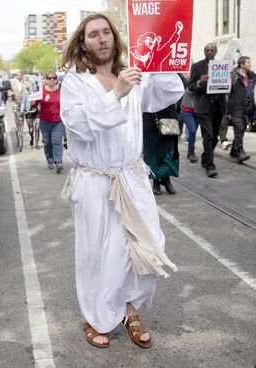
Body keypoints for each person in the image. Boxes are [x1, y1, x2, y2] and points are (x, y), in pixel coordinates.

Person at [60, 14, 180, 349]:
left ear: (115, 37)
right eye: (93, 34)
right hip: (95, 181)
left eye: (106, 32)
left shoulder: (132, 74)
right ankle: (97, 317)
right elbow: (79, 125)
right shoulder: (75, 80)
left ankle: (130, 308)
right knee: (98, 253)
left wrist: (160, 62)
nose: (101, 39)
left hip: (131, 177)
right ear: (83, 43)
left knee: (143, 244)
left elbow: (169, 92)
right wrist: (117, 95)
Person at [189, 43, 224, 177]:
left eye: (212, 50)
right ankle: (210, 165)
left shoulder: (223, 66)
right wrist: (198, 82)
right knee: (208, 135)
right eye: (207, 50)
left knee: (214, 136)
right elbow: (190, 86)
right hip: (203, 106)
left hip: (218, 106)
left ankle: (205, 156)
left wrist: (230, 79)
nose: (209, 52)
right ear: (204, 52)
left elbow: (228, 86)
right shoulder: (197, 66)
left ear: (215, 52)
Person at [143, 104, 180, 195]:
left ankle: (166, 179)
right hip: (150, 119)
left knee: (168, 152)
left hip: (168, 119)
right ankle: (156, 181)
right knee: (152, 154)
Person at [224, 55, 255, 162]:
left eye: (250, 62)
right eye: (248, 62)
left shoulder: (251, 76)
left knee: (241, 129)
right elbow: (226, 90)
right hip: (235, 106)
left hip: (246, 108)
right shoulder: (233, 76)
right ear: (241, 64)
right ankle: (239, 152)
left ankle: (234, 150)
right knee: (239, 128)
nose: (250, 64)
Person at [37, 70, 65, 173]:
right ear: (46, 80)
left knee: (57, 141)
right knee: (47, 142)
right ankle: (50, 160)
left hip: (58, 121)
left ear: (57, 80)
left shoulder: (62, 91)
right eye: (49, 78)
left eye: (54, 78)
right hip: (45, 121)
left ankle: (58, 162)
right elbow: (34, 105)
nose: (52, 80)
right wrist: (32, 100)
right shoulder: (41, 91)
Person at [178, 73, 199, 162]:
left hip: (197, 112)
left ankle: (190, 152)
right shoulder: (188, 84)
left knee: (193, 133)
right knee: (192, 130)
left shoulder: (203, 87)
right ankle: (191, 152)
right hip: (187, 112)